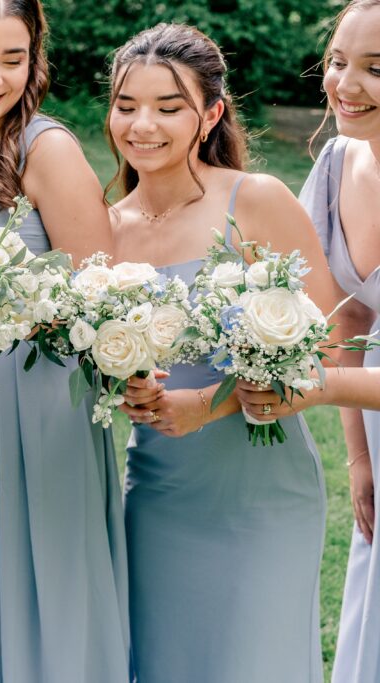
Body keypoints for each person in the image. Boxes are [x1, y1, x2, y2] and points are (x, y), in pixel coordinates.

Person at [111, 23, 343, 683]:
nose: (142, 124)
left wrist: (207, 406)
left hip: (262, 494)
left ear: (210, 113)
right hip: (157, 492)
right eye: (126, 105)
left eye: (168, 105)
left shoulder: (255, 200)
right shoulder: (107, 227)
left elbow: (323, 349)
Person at [0, 1, 129, 680]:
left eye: (13, 58)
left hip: (41, 411)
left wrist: (9, 316)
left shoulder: (49, 149)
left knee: (49, 590)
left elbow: (101, 296)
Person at [239, 3, 380, 680]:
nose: (345, 84)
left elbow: (331, 367)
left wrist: (314, 388)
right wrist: (358, 459)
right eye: (337, 60)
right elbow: (349, 322)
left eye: (376, 68)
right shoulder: (336, 161)